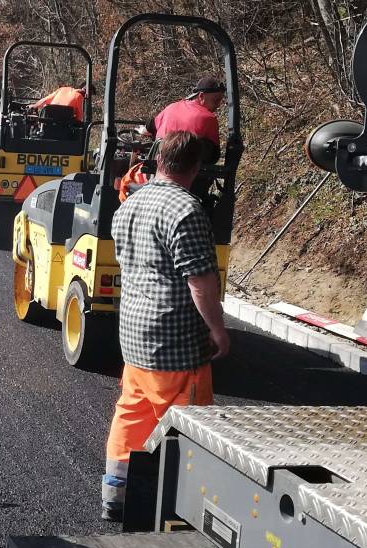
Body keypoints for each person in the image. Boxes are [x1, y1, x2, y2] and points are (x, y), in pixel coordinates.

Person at [101, 131, 230, 521]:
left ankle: (115, 494)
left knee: (133, 412)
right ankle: (179, 507)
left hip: (134, 336)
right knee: (187, 424)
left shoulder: (129, 206)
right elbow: (200, 281)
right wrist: (218, 330)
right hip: (175, 341)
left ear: (158, 161)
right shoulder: (186, 211)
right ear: (197, 167)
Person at [147, 76, 225, 166]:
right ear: (201, 96)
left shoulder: (171, 107)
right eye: (216, 101)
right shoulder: (209, 118)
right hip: (186, 171)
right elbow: (214, 156)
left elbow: (150, 126)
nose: (218, 105)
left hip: (158, 165)